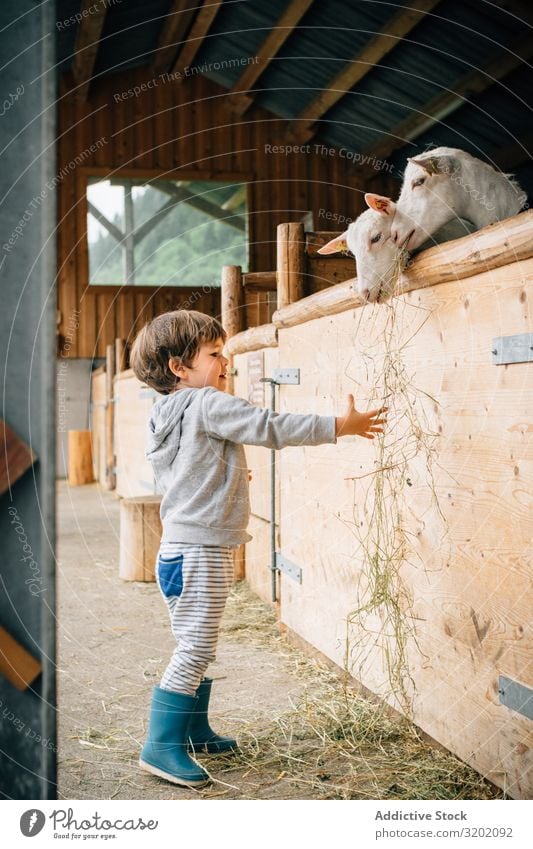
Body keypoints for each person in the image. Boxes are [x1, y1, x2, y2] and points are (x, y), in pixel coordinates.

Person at [129, 309, 388, 788]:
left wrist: (224, 480)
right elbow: (269, 425)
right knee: (195, 647)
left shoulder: (163, 412)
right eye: (213, 353)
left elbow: (182, 473)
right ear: (178, 368)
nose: (224, 361)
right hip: (200, 551)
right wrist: (339, 426)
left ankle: (192, 730)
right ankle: (159, 746)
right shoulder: (205, 402)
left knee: (198, 644)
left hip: (179, 550)